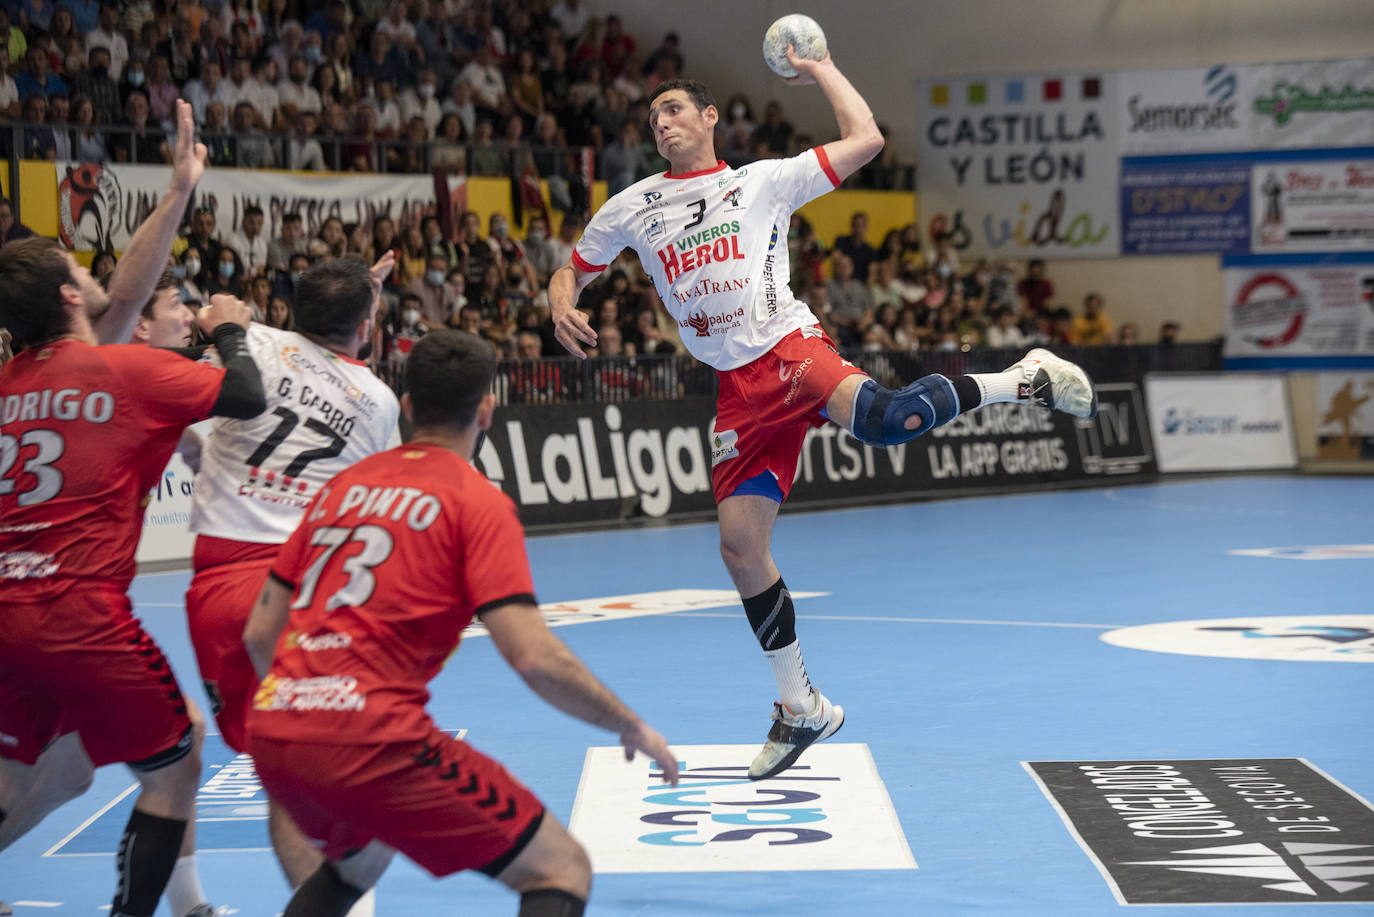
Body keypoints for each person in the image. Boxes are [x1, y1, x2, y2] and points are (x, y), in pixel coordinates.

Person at [549, 52, 1098, 781]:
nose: (663, 123)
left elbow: (867, 139)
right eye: (654, 117)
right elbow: (573, 268)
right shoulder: (633, 205)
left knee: (887, 420)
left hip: (787, 346)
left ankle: (1022, 378)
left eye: (675, 109)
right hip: (735, 389)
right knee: (741, 550)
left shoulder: (762, 181)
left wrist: (823, 67)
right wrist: (560, 300)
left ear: (710, 118)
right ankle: (800, 705)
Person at [242, 329, 678, 917]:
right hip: (369, 737)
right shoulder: (476, 502)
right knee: (560, 868)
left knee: (358, 862)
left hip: (274, 728)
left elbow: (259, 634)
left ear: (407, 406)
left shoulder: (343, 487)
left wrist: (309, 700)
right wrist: (629, 725)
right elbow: (534, 658)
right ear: (488, 410)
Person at [0, 238, 266, 917]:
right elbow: (245, 392)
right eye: (80, 270)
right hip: (79, 613)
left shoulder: (9, 385)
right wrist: (230, 330)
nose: (93, 274)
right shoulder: (123, 369)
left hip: (7, 610)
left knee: (26, 775)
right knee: (176, 765)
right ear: (67, 297)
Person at [183, 253, 400, 916]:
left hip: (215, 591)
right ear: (364, 327)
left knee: (279, 779)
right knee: (332, 772)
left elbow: (191, 435)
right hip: (296, 594)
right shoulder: (377, 402)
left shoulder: (244, 345)